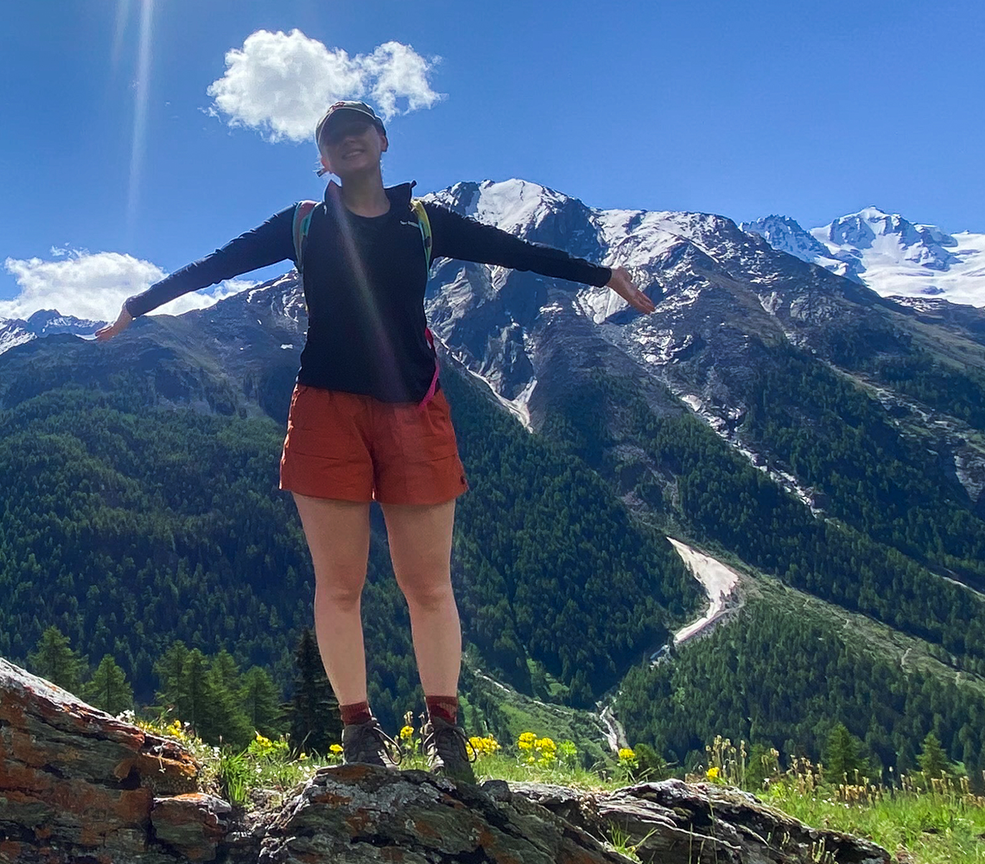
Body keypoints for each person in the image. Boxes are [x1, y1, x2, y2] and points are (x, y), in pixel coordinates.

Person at [97, 101, 654, 782]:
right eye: (333, 135)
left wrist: (601, 275)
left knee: (428, 584)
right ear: (323, 160)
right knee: (339, 587)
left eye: (359, 127)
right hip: (327, 411)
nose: (348, 137)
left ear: (383, 141)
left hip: (413, 409)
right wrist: (138, 304)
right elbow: (219, 264)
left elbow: (514, 251)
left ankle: (445, 733)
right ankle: (359, 732)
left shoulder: (422, 222)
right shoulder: (303, 224)